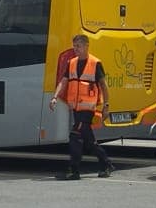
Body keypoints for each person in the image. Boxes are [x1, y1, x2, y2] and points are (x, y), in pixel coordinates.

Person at [48, 33, 112, 181]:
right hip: (76, 109)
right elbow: (63, 82)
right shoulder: (71, 63)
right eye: (74, 46)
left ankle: (74, 170)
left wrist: (106, 106)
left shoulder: (95, 63)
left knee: (74, 136)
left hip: (87, 109)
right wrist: (54, 97)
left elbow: (104, 86)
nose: (75, 49)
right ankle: (106, 164)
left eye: (78, 46)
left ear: (86, 46)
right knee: (88, 142)